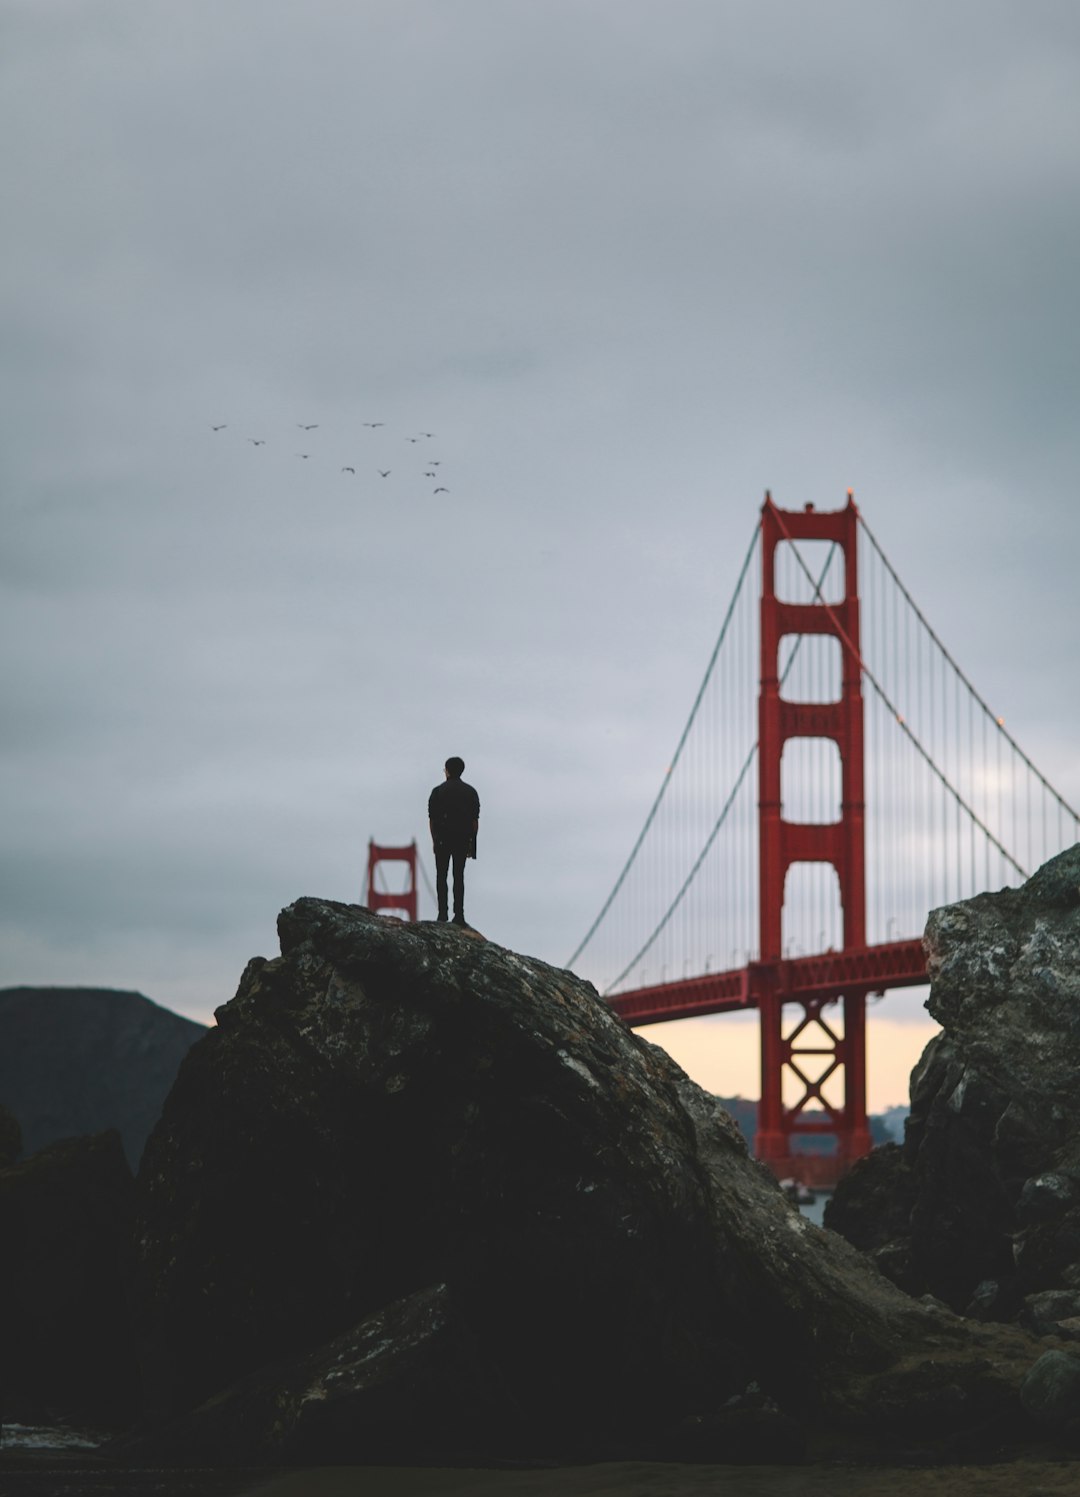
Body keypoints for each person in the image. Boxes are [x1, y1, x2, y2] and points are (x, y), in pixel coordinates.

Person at [428, 756, 480, 925]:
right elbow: (474, 823)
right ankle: (459, 915)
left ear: (447, 771)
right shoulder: (471, 792)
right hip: (462, 839)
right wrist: (471, 843)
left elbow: (432, 820)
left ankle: (442, 914)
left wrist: (435, 840)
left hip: (442, 839)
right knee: (459, 876)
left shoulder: (437, 791)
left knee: (441, 876)